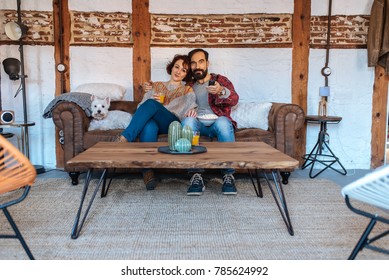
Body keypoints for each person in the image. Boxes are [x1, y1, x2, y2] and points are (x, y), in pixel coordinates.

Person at [117, 54, 197, 190]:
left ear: (186, 75)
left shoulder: (187, 90)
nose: (178, 71)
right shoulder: (156, 85)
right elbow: (141, 108)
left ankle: (124, 138)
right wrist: (149, 97)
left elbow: (191, 108)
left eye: (183, 70)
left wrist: (193, 111)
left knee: (152, 104)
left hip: (172, 123)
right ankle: (147, 172)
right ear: (171, 68)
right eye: (176, 67)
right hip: (155, 122)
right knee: (149, 125)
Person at [182, 48, 239, 196]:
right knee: (187, 122)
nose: (197, 66)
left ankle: (228, 174)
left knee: (223, 123)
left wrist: (221, 91)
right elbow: (177, 102)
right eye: (193, 63)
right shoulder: (188, 85)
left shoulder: (220, 80)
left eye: (201, 62)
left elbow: (234, 99)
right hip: (197, 124)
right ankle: (196, 174)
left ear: (207, 63)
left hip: (216, 123)